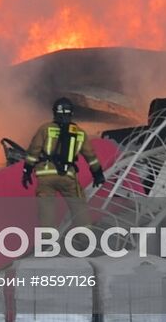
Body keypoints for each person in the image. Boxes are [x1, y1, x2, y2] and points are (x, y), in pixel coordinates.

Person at [22, 97, 105, 230]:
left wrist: (26, 171)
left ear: (55, 112)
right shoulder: (79, 133)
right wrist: (98, 174)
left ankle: (48, 244)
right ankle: (86, 239)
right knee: (79, 207)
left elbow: (34, 151)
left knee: (47, 209)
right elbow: (91, 156)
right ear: (71, 113)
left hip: (45, 175)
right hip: (68, 177)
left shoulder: (45, 129)